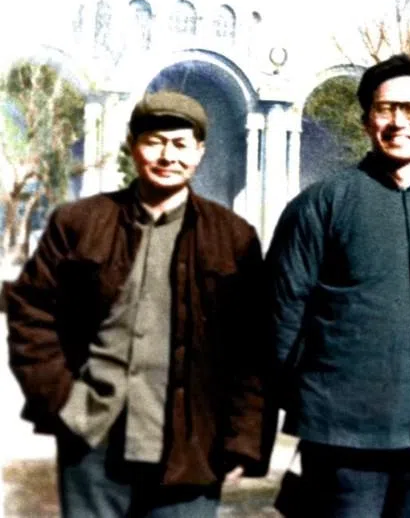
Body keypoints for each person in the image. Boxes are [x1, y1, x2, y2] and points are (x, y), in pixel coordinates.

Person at [4, 90, 275, 517]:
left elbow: (254, 348)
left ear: (200, 152)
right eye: (154, 141)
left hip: (193, 446)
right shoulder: (79, 222)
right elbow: (30, 311)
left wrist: (242, 439)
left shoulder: (233, 237)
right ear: (133, 146)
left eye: (181, 144)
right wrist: (61, 400)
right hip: (94, 440)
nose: (168, 156)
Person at [267, 53, 410, 517]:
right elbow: (281, 315)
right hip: (344, 436)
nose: (400, 122)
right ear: (366, 122)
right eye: (385, 109)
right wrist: (314, 405)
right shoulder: (321, 205)